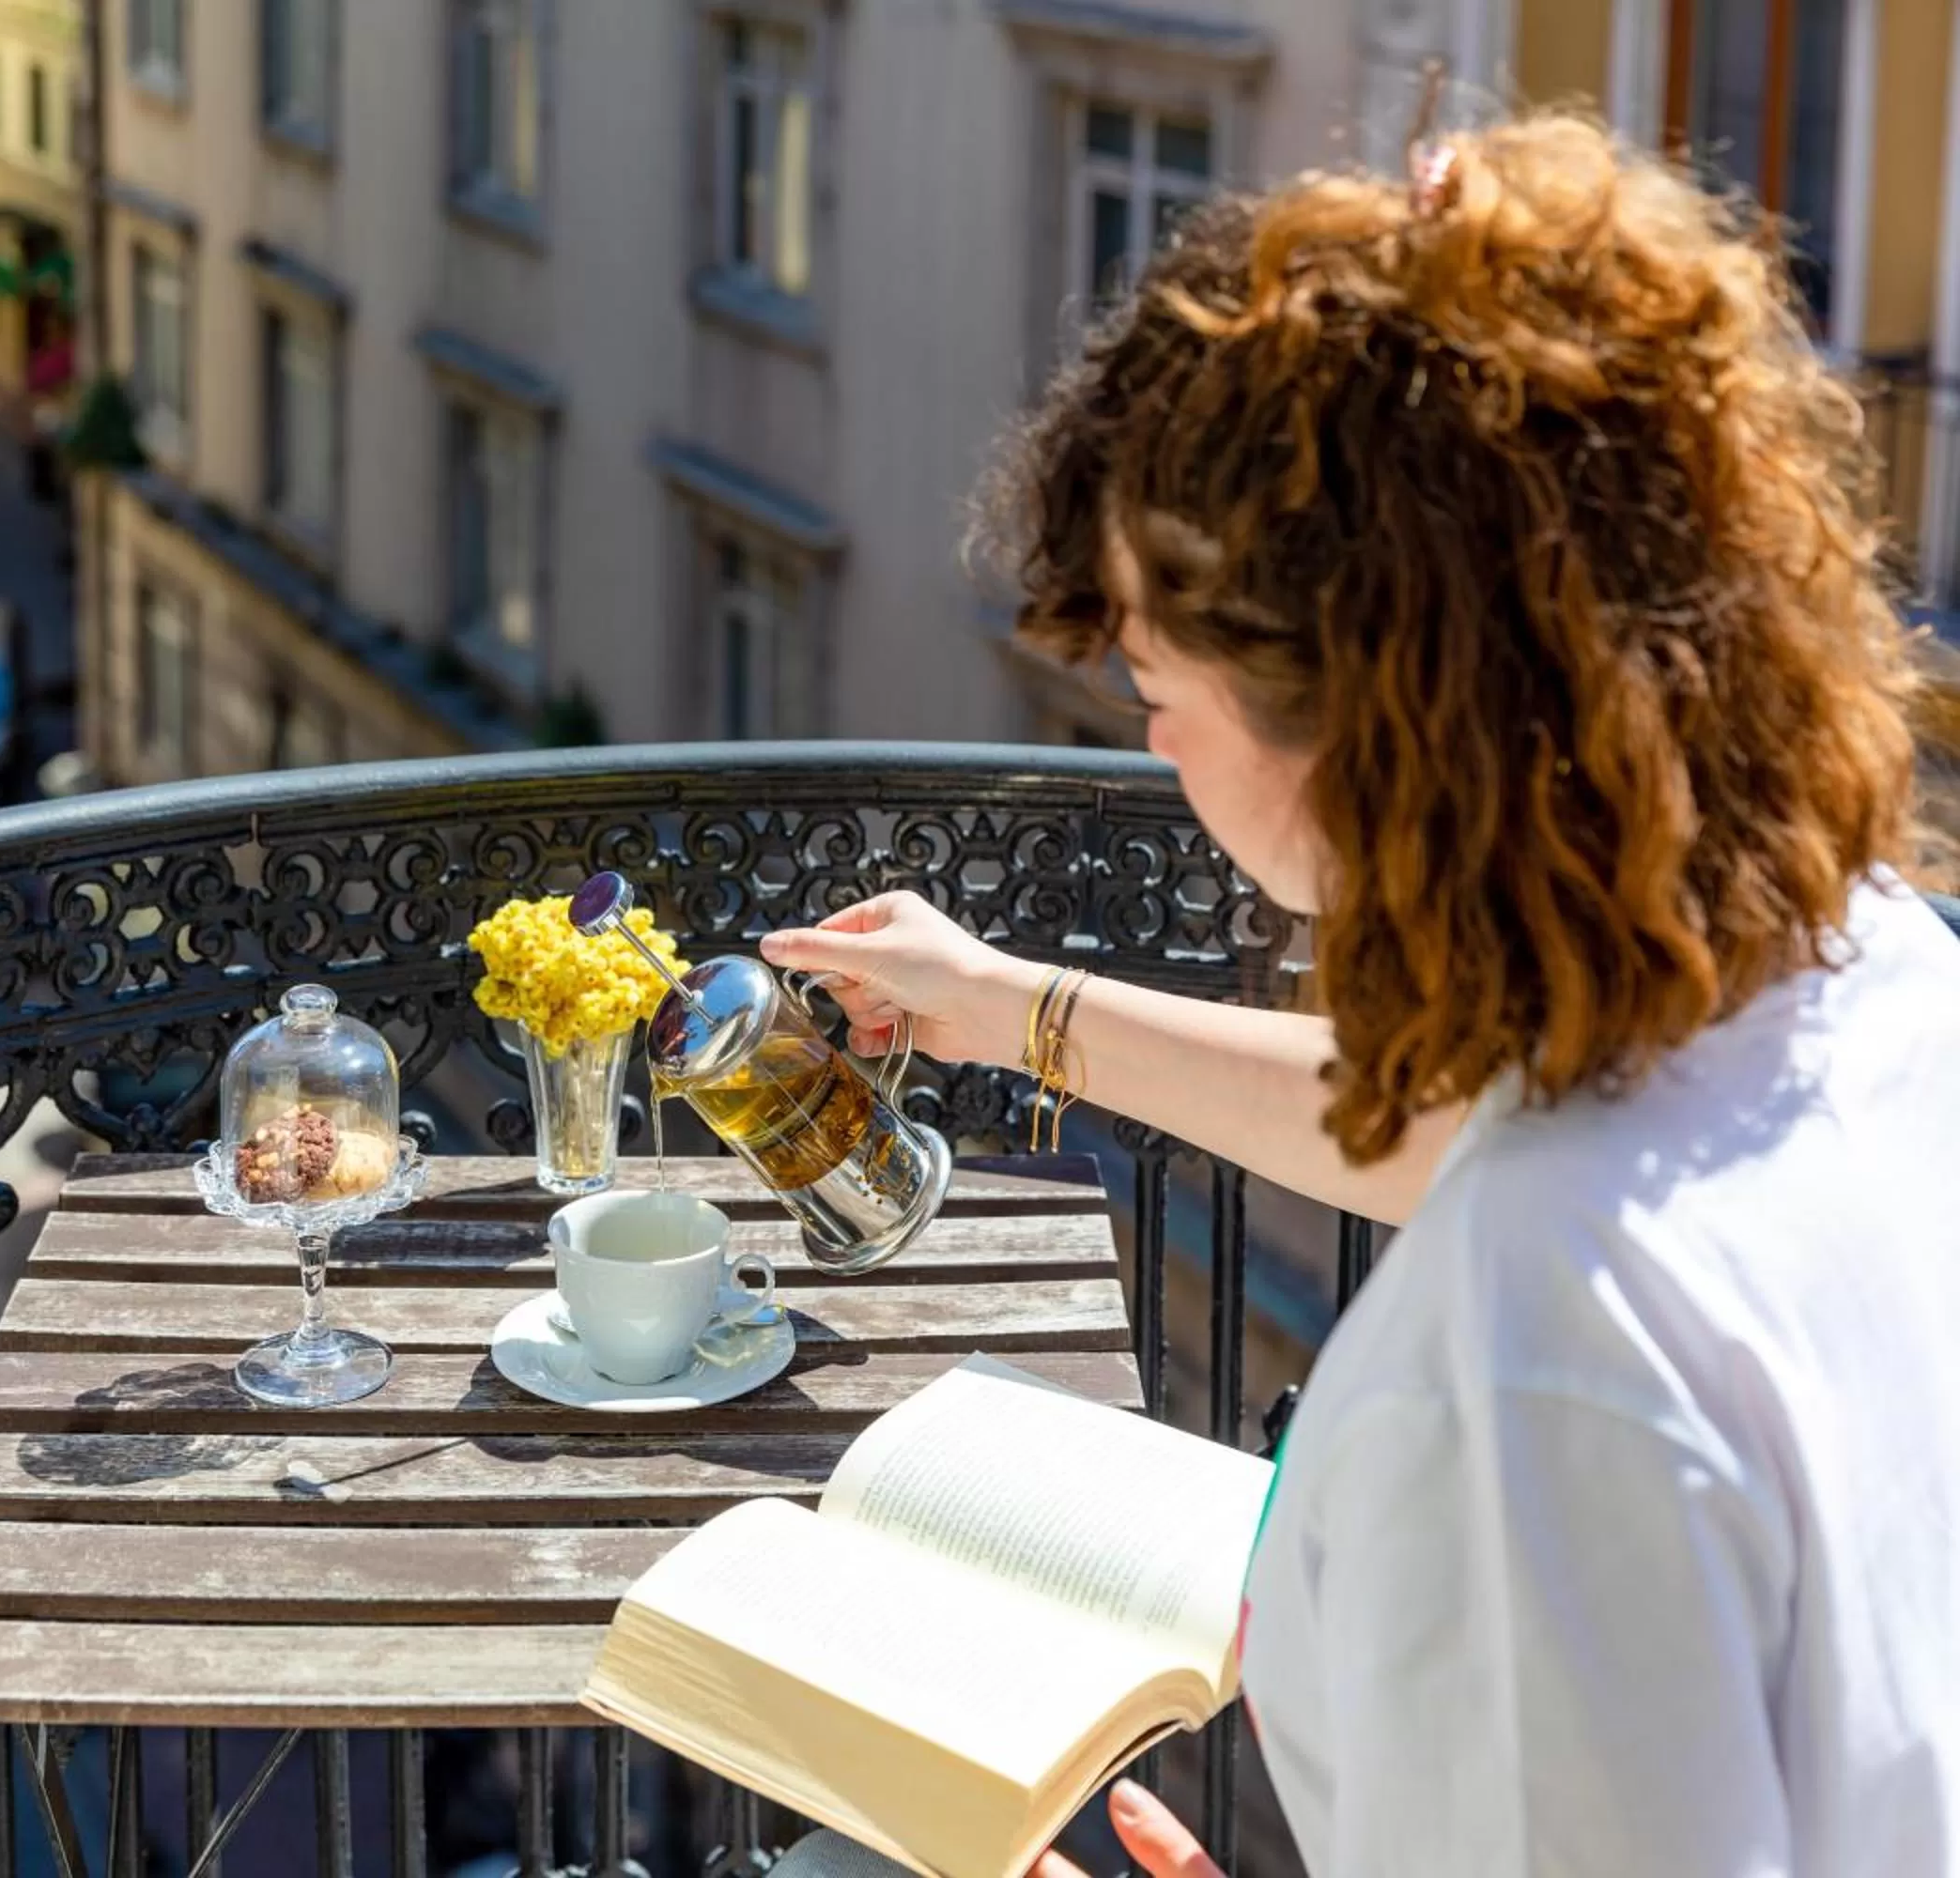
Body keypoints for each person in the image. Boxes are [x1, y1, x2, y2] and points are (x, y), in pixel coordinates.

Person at [763, 111, 1960, 1877]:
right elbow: (1460, 1136)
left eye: (1158, 685)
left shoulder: (1536, 1357)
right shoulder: (1871, 982)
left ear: (1374, 734)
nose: (1151, 740)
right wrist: (1004, 1001)